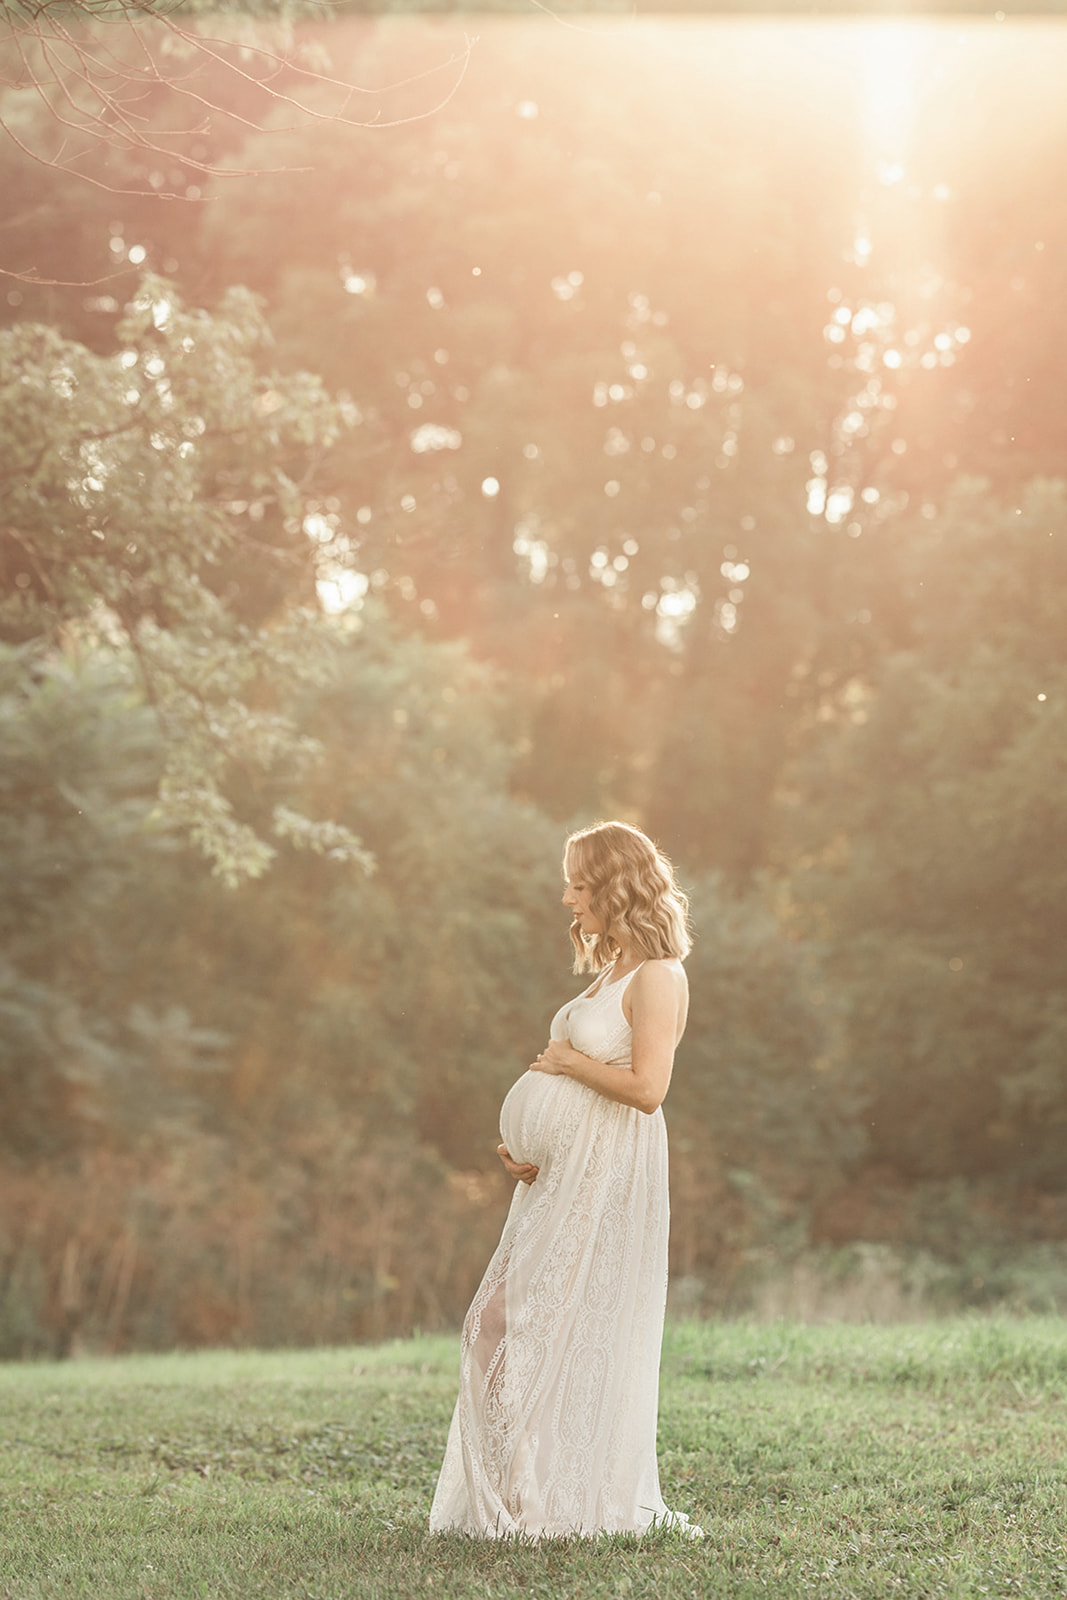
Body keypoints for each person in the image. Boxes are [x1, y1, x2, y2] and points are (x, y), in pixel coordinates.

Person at [429, 819, 701, 1540]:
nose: (567, 898)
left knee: (524, 1329)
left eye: (579, 884)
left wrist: (563, 1066)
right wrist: (521, 1144)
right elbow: (569, 1091)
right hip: (553, 1182)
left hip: (604, 1186)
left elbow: (647, 1089)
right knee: (499, 1330)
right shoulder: (609, 973)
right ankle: (518, 1497)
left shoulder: (657, 977)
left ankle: (534, 1502)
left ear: (615, 888)